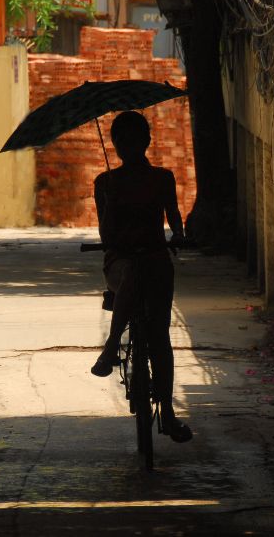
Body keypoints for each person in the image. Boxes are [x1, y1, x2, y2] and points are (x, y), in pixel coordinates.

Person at [90, 111, 192, 443]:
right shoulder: (105, 183)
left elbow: (174, 216)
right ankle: (111, 345)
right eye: (122, 142)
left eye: (135, 141)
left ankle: (169, 412)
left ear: (147, 142)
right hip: (119, 261)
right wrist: (110, 204)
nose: (128, 148)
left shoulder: (163, 178)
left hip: (155, 259)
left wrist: (178, 235)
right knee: (132, 272)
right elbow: (106, 235)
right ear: (115, 145)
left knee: (160, 337)